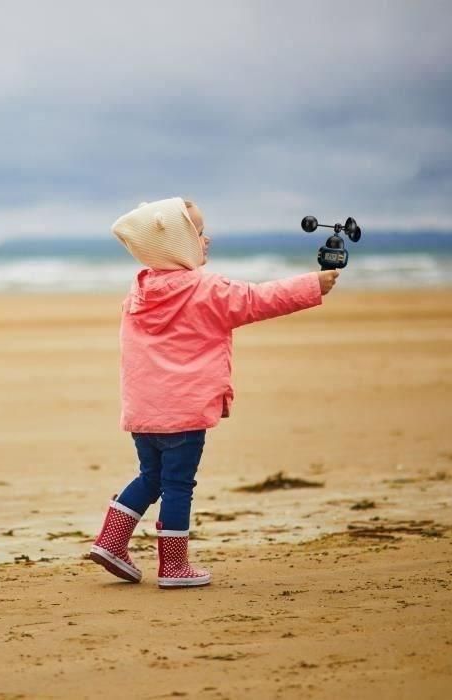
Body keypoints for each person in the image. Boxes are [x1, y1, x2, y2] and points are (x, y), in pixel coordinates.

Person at [89, 197, 339, 588]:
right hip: (185, 413)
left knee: (151, 476)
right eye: (199, 234)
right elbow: (258, 300)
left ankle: (111, 540)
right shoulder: (206, 289)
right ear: (177, 245)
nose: (207, 240)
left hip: (145, 412)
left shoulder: (139, 293)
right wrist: (313, 284)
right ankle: (173, 566)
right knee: (177, 486)